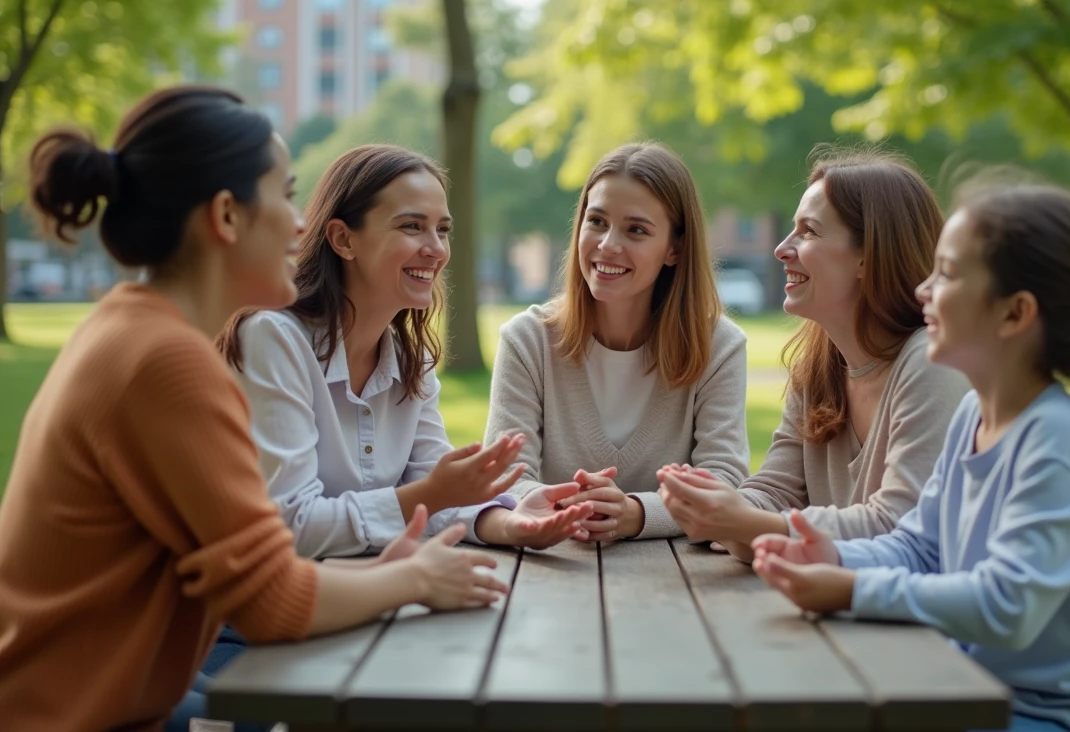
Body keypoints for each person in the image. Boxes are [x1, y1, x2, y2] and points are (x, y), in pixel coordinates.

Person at [0, 86, 511, 732]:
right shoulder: (166, 361)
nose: (300, 225)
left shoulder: (132, 331)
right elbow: (274, 602)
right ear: (227, 216)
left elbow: (256, 576)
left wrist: (388, 571)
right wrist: (414, 581)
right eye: (286, 193)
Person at [750, 176, 1070, 732]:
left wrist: (852, 587)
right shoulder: (974, 415)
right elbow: (920, 547)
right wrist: (832, 555)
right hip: (983, 692)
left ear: (1014, 314)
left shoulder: (1056, 442)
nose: (923, 289)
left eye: (946, 273)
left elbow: (1005, 605)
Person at [217, 144, 592, 561]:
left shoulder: (409, 358)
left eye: (443, 229)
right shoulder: (274, 339)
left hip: (363, 598)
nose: (436, 249)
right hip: (260, 617)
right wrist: (428, 495)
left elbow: (436, 488)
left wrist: (512, 523)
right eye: (412, 226)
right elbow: (289, 525)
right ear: (343, 239)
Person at [658, 149, 968, 560]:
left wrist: (746, 525)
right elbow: (776, 490)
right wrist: (714, 507)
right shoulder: (820, 368)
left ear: (868, 255)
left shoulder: (931, 363)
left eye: (809, 232)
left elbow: (899, 527)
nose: (782, 249)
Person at [483, 142, 750, 541]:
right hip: (547, 574)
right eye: (597, 221)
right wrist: (577, 509)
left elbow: (723, 480)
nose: (608, 244)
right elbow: (506, 478)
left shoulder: (719, 347)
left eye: (636, 230)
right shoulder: (527, 341)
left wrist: (636, 514)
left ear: (674, 249)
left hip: (678, 582)